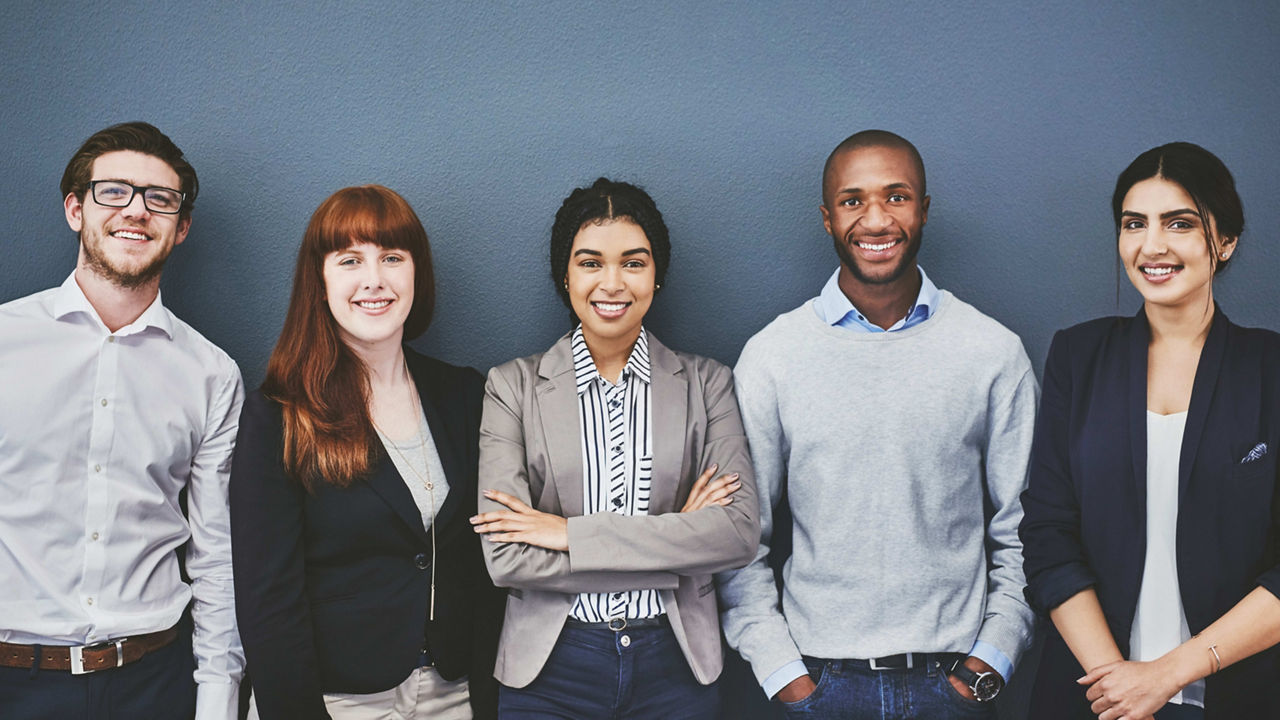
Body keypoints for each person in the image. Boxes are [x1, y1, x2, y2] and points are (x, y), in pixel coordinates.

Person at [717, 130, 1039, 718]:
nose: (876, 219)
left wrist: (991, 661)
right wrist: (784, 675)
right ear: (826, 217)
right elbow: (741, 538)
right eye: (852, 200)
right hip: (821, 684)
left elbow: (1027, 529)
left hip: (956, 685)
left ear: (924, 209)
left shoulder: (992, 352)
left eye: (897, 197)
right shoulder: (772, 356)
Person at [471, 177, 759, 718]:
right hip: (550, 671)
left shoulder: (707, 383)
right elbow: (507, 557)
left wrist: (564, 534)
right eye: (590, 262)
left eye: (633, 262)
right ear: (565, 274)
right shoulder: (511, 386)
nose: (612, 282)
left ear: (656, 275)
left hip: (676, 665)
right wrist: (678, 550)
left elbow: (736, 535)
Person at [1019, 142, 1280, 719]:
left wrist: (1166, 675)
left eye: (1180, 223)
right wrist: (1118, 688)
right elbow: (1047, 534)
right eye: (1134, 223)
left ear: (1227, 240)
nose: (1151, 245)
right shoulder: (1077, 355)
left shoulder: (1271, 369)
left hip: (1238, 697)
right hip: (1092, 697)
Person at [230, 185, 502, 719]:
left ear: (415, 274)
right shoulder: (279, 415)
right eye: (350, 260)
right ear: (321, 279)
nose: (374, 280)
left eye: (392, 258)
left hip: (456, 695)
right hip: (335, 700)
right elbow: (268, 604)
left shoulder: (466, 394)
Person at [0, 122, 244, 718]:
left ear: (180, 227)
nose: (136, 211)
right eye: (114, 192)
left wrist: (217, 699)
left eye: (159, 199)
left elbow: (216, 557)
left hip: (153, 682)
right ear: (75, 209)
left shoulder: (212, 374)